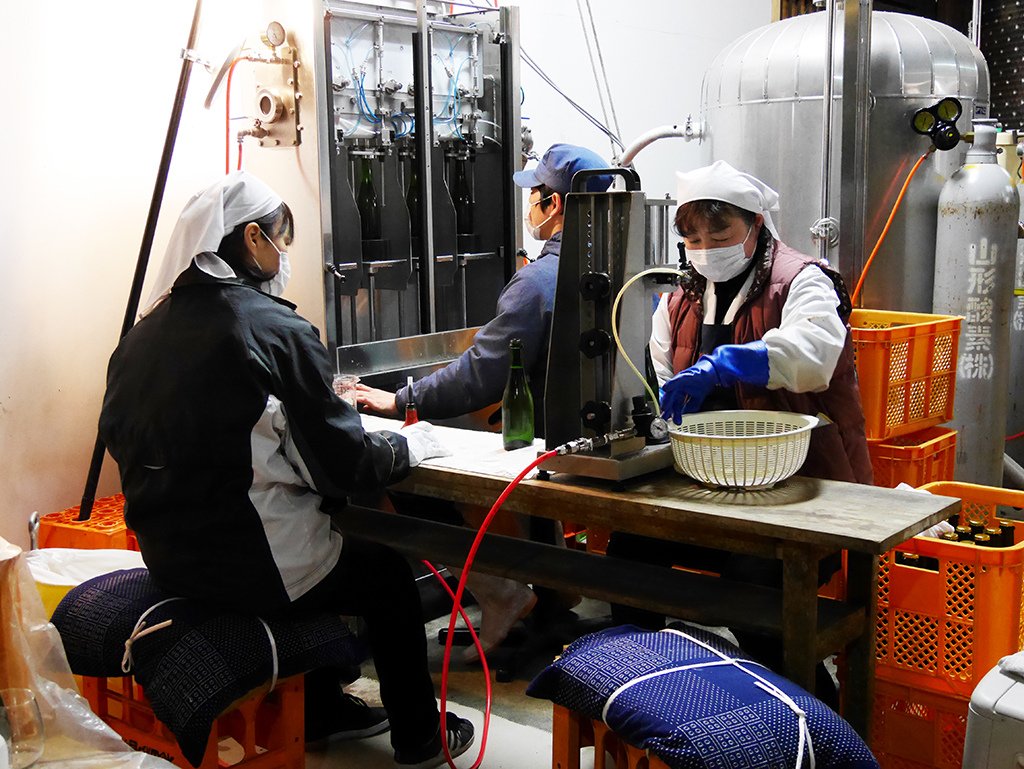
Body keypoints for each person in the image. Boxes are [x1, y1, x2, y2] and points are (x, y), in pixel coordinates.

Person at [98, 171, 473, 767]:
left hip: (170, 557)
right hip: (251, 565)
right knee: (384, 575)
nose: (284, 255)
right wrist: (413, 446)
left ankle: (323, 705)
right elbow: (344, 467)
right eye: (281, 239)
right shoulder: (274, 329)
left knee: (333, 547)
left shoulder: (138, 339)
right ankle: (421, 738)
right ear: (251, 240)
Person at [607, 160, 872, 704]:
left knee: (755, 592)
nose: (705, 247)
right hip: (712, 483)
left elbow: (814, 355)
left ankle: (818, 722)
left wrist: (726, 363)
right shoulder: (678, 300)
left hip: (805, 486)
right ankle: (653, 688)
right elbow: (664, 375)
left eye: (719, 231)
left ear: (756, 223)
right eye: (692, 236)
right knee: (628, 554)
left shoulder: (803, 282)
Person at [356, 144, 612, 661]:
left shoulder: (537, 282)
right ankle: (555, 586)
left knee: (409, 474)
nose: (529, 207)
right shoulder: (614, 263)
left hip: (547, 446)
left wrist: (401, 399)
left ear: (555, 204)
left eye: (533, 194)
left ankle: (501, 594)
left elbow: (481, 375)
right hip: (599, 436)